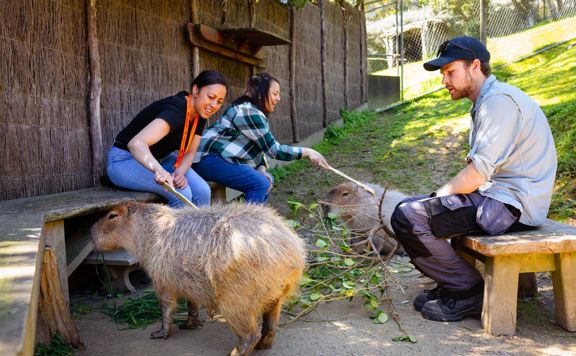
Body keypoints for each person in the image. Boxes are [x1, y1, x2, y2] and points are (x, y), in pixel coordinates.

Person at [390, 36, 557, 322]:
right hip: (499, 199)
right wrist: (435, 201)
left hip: (512, 205)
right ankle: (452, 284)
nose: (444, 80)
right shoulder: (488, 102)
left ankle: (468, 292)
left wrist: (434, 200)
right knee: (409, 207)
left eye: (450, 71)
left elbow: (476, 174)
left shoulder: (499, 102)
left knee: (409, 216)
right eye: (443, 74)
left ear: (475, 66)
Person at [193, 72, 328, 204]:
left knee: (267, 179)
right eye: (275, 93)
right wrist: (309, 152)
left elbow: (262, 150)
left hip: (220, 160)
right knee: (260, 184)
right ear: (260, 92)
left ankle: (247, 221)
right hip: (208, 159)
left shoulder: (253, 112)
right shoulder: (248, 112)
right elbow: (274, 150)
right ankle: (244, 225)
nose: (278, 98)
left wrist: (262, 169)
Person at [106, 70, 227, 208]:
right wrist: (161, 171)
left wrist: (180, 173)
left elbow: (190, 153)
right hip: (124, 160)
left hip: (161, 159)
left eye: (219, 102)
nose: (214, 105)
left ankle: (199, 229)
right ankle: (178, 230)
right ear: (195, 90)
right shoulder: (176, 110)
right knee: (182, 194)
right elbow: (136, 144)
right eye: (211, 97)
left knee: (203, 191)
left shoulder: (201, 113)